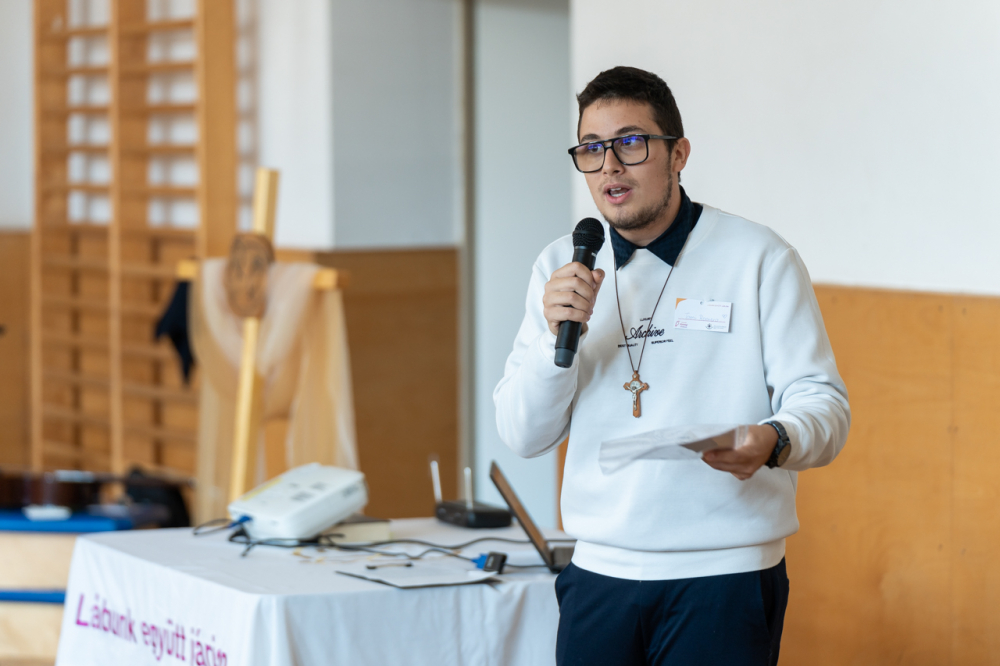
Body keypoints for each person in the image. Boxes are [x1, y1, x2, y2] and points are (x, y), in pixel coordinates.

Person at [493, 66, 850, 666]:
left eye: (630, 143)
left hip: (725, 577)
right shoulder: (560, 268)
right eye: (591, 148)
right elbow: (523, 434)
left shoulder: (758, 257)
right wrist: (555, 340)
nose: (610, 166)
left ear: (678, 154)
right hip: (598, 575)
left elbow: (825, 404)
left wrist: (776, 439)